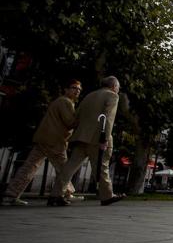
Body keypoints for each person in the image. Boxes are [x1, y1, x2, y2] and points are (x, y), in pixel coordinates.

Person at [1, 80, 83, 206]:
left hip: (43, 139)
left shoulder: (59, 101)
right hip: (55, 141)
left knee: (30, 167)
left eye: (79, 89)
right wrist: (81, 118)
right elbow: (70, 122)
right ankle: (67, 193)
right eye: (74, 88)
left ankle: (10, 195)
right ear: (66, 89)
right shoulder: (65, 102)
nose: (77, 91)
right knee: (63, 168)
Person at [48, 76, 125, 206]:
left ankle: (55, 195)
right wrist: (104, 138)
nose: (118, 90)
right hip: (97, 138)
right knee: (102, 166)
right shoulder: (112, 96)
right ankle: (107, 195)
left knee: (69, 167)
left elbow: (77, 115)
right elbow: (108, 118)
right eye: (118, 87)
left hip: (81, 137)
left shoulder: (89, 95)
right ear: (113, 86)